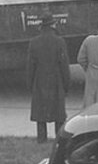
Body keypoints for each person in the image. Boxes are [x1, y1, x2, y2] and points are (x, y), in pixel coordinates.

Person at [27, 13, 70, 142]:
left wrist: (30, 84)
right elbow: (64, 65)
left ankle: (41, 138)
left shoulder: (34, 42)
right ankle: (59, 138)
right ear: (52, 25)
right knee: (58, 112)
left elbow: (30, 66)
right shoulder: (59, 41)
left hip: (40, 79)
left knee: (40, 112)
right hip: (56, 80)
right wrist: (66, 85)